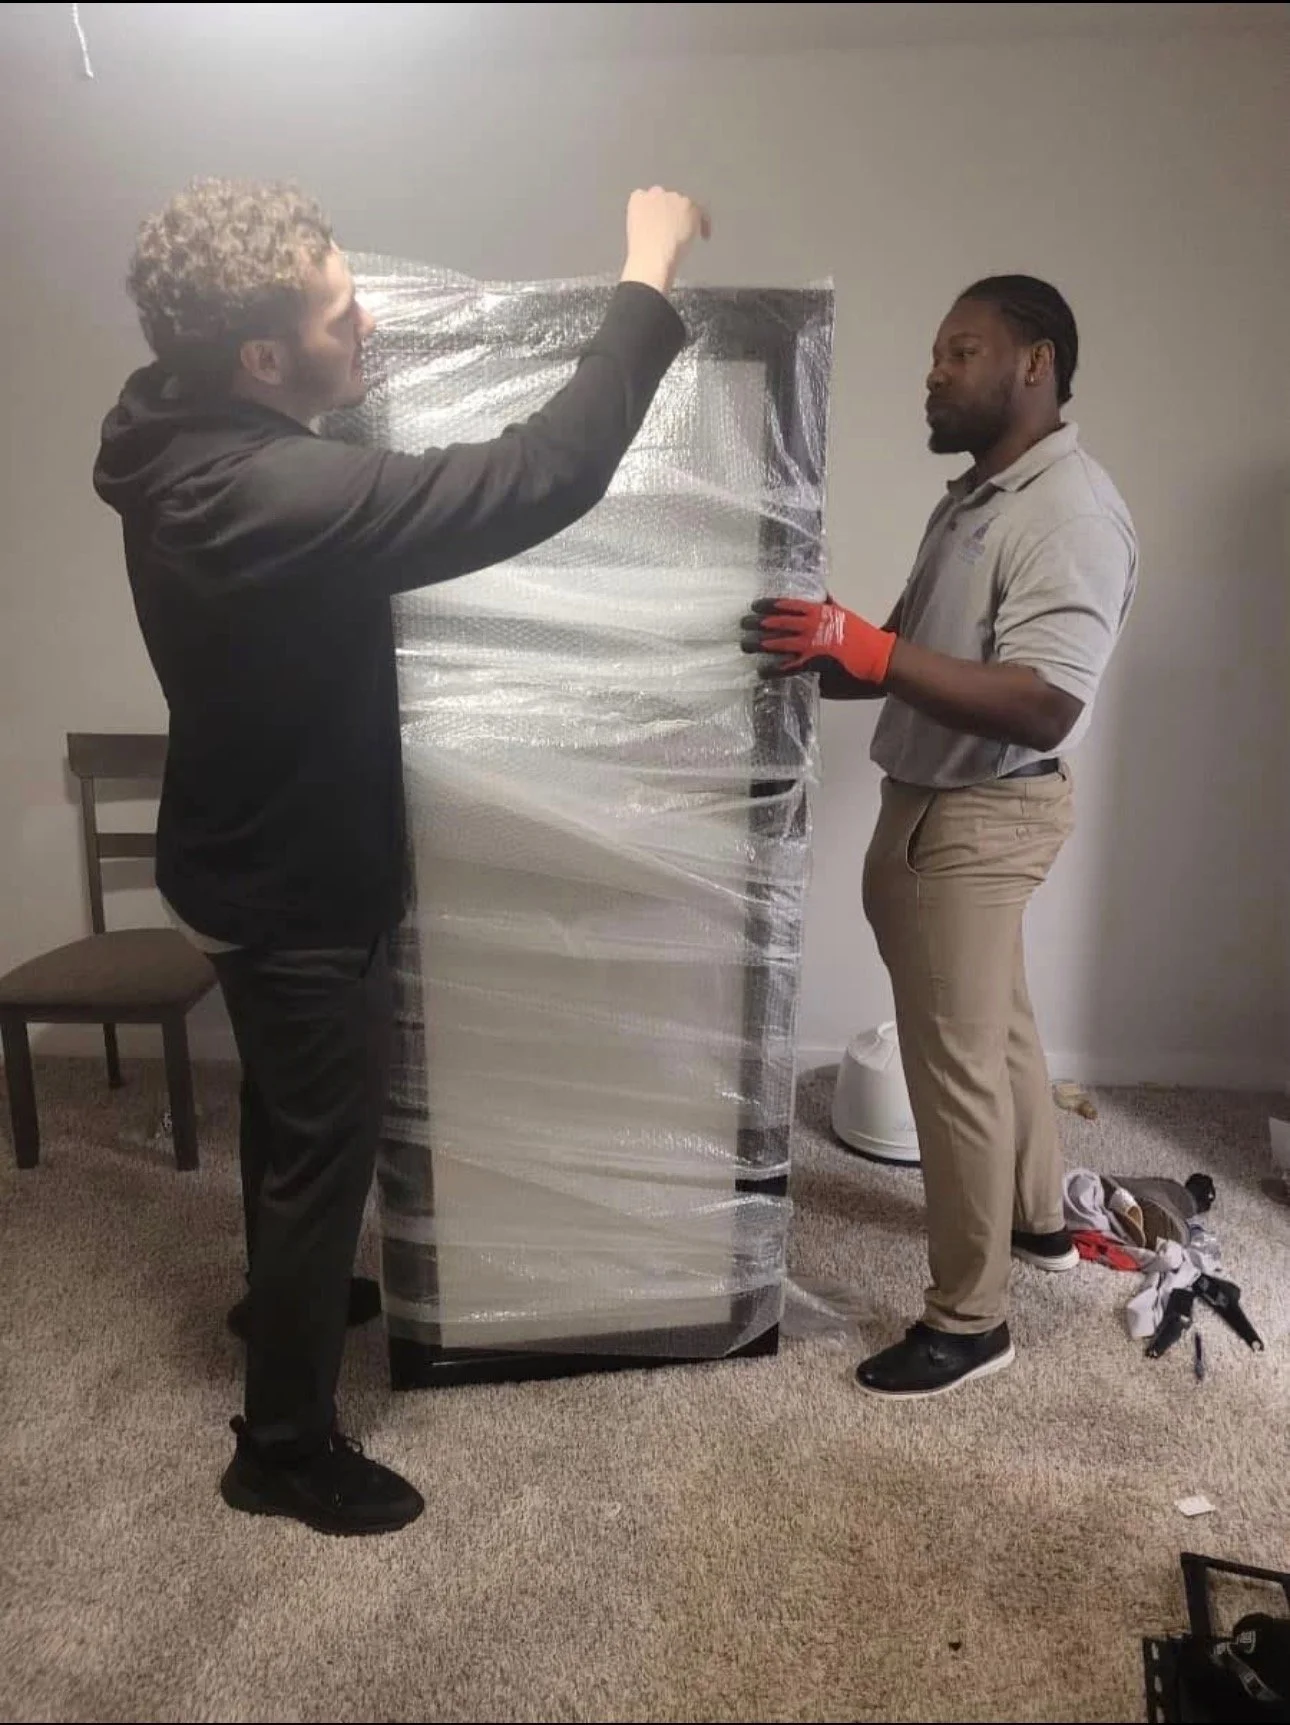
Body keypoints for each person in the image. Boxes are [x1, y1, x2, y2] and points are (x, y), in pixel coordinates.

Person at [93, 177, 707, 1532]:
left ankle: (278, 1299)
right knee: (327, 1148)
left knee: (284, 1114)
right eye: (333, 309)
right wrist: (644, 275)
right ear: (260, 358)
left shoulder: (166, 427)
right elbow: (536, 475)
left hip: (236, 847)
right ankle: (284, 1446)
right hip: (300, 881)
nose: (361, 318)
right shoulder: (271, 490)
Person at [743, 275, 1138, 1398]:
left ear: (1036, 364)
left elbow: (1042, 699)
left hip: (977, 815)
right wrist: (824, 651)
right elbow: (921, 656)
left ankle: (970, 1321)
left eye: (961, 351)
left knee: (951, 1067)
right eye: (934, 352)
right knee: (1000, 1030)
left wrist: (867, 652)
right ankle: (1037, 1225)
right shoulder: (977, 499)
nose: (934, 371)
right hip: (945, 802)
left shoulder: (1069, 512)